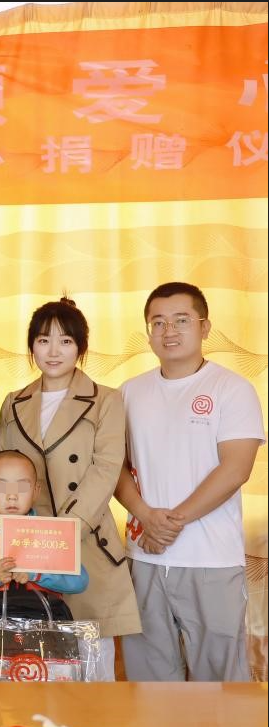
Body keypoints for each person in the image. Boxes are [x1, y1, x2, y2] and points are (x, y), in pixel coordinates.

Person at [116, 282, 264, 681]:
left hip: (210, 559)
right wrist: (147, 516)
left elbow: (235, 469)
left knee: (221, 682)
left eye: (181, 320)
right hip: (145, 557)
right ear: (148, 333)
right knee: (149, 681)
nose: (169, 331)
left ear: (204, 327)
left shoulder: (232, 389)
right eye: (158, 322)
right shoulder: (130, 392)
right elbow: (114, 467)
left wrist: (168, 524)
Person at [0, 298, 139, 680]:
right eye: (43, 340)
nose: (53, 351)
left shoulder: (107, 400)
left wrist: (65, 532)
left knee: (94, 664)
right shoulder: (14, 403)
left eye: (65, 341)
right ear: (31, 346)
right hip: (26, 548)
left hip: (86, 540)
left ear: (81, 347)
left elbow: (107, 468)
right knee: (34, 663)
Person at [0, 450, 89, 613]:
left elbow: (79, 581)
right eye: (0, 486)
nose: (12, 496)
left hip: (44, 622)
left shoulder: (50, 533)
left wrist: (36, 573)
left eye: (22, 487)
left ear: (36, 491)